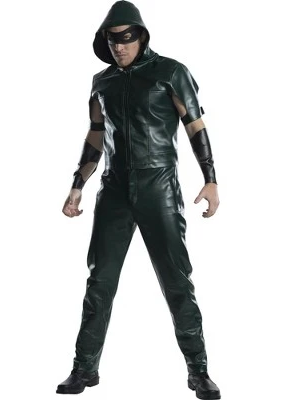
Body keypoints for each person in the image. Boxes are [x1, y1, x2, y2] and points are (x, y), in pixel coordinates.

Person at [56, 1, 221, 399]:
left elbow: (195, 124)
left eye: (127, 39)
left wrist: (211, 179)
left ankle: (199, 372)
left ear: (142, 37)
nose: (120, 47)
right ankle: (84, 368)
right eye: (113, 41)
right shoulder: (102, 82)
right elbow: (96, 135)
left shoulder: (171, 72)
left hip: (159, 186)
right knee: (99, 283)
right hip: (113, 189)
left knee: (177, 282)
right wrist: (77, 183)